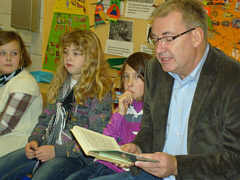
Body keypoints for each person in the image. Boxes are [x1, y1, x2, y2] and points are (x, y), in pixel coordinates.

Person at [93, 0, 240, 180]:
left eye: (168, 38)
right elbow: (149, 128)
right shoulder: (155, 70)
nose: (159, 49)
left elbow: (234, 160)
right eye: (155, 39)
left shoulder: (232, 79)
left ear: (196, 36)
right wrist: (137, 147)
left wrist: (177, 166)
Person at [0, 29, 113, 180]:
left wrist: (56, 151)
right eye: (66, 52)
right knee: (4, 166)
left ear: (91, 58)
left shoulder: (99, 91)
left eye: (76, 53)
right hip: (48, 146)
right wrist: (34, 140)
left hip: (75, 157)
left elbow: (94, 139)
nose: (68, 58)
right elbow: (45, 120)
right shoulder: (61, 83)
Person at [65, 52, 152, 180]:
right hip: (105, 165)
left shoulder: (152, 111)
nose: (129, 83)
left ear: (150, 79)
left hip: (128, 171)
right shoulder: (125, 106)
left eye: (137, 77)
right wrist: (120, 113)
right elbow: (107, 139)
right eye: (126, 77)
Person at [0, 31, 42, 157]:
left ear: (21, 56)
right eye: (2, 53)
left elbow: (4, 125)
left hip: (18, 145)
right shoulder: (4, 78)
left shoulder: (24, 84)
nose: (8, 58)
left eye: (14, 53)